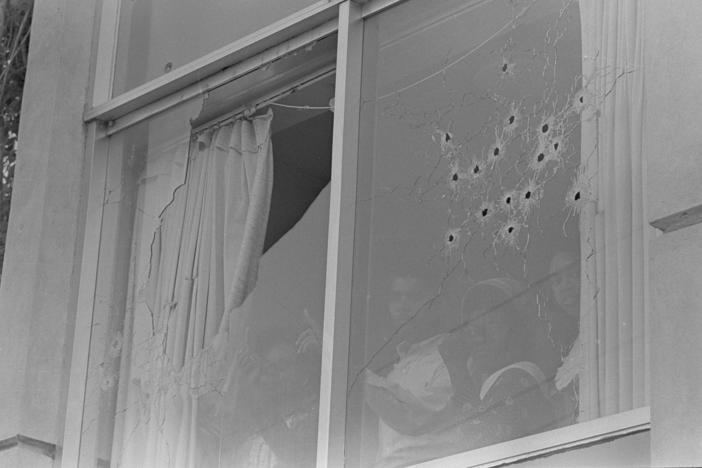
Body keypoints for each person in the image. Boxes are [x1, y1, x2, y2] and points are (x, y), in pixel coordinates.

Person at [365, 277, 552, 467]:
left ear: (518, 329)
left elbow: (475, 445)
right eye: (473, 325)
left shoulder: (519, 376)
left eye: (492, 323)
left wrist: (456, 367)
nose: (478, 335)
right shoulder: (484, 382)